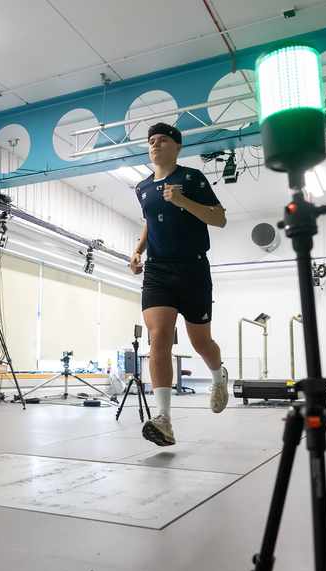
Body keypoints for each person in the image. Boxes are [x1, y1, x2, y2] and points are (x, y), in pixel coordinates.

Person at [130, 122, 228, 447]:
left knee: (201, 342)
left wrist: (184, 202)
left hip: (193, 269)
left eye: (162, 140)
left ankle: (218, 376)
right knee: (158, 337)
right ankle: (164, 419)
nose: (155, 145)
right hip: (158, 271)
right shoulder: (142, 188)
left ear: (177, 147)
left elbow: (219, 218)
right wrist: (138, 250)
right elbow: (149, 222)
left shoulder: (191, 178)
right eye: (151, 142)